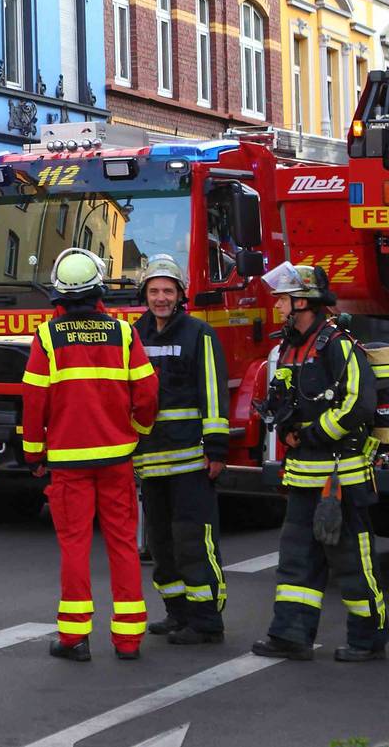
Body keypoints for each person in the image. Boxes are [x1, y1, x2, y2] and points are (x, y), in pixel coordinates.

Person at [21, 248, 158, 662]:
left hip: (68, 462)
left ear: (59, 294)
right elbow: (147, 393)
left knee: (75, 546)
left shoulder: (48, 337)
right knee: (122, 544)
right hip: (117, 460)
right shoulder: (124, 333)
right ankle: (128, 640)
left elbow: (34, 401)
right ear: (99, 289)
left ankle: (74, 638)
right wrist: (137, 432)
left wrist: (34, 454)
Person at [251, 262, 388, 664]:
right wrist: (285, 426)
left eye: (284, 299)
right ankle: (290, 635)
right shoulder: (290, 347)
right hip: (303, 478)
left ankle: (368, 639)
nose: (277, 305)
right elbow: (286, 399)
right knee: (296, 561)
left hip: (341, 479)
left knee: (353, 562)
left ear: (304, 302)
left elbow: (358, 404)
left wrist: (311, 434)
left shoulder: (339, 345)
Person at [132, 253, 229, 645]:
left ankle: (206, 621)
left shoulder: (198, 333)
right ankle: (177, 612)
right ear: (145, 294)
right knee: (161, 543)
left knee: (193, 541)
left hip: (191, 460)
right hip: (150, 460)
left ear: (180, 295)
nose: (161, 298)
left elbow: (213, 392)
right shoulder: (134, 335)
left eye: (168, 291)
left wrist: (216, 449)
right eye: (154, 291)